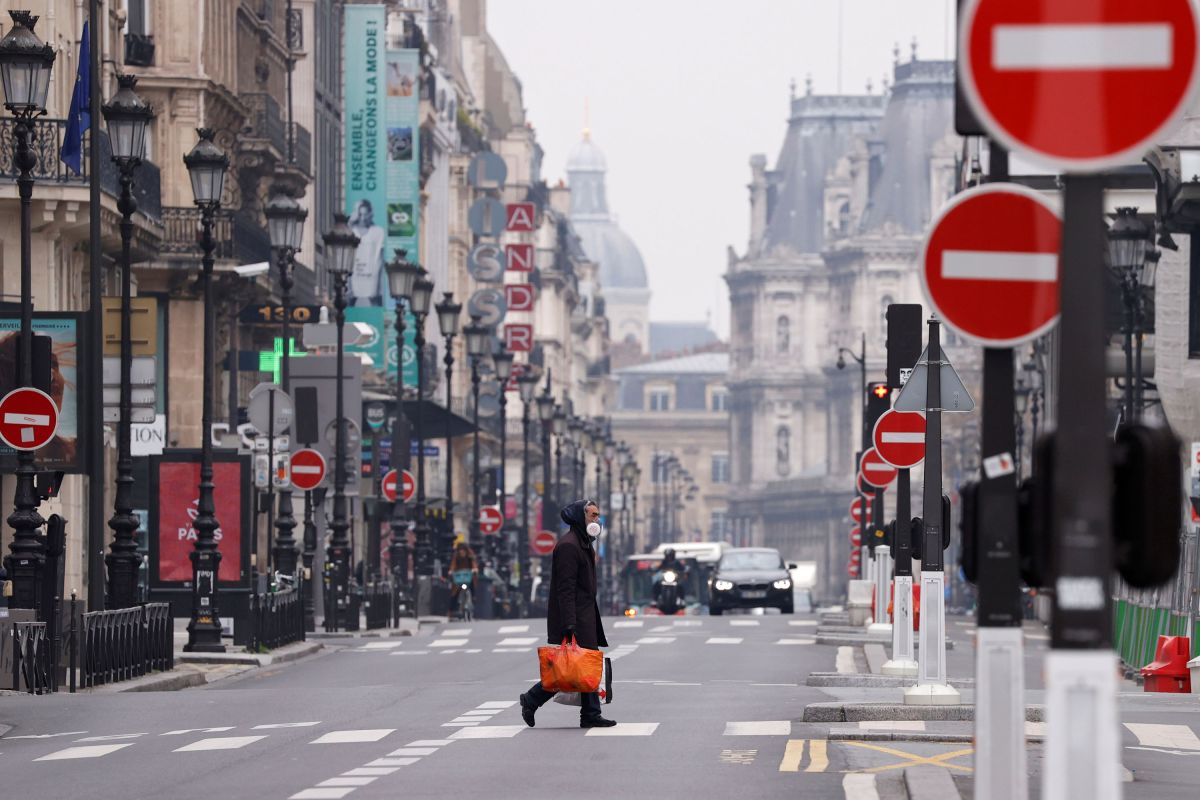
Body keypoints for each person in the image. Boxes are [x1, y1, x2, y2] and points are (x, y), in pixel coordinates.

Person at [519, 499, 616, 728]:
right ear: (580, 517)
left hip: (585, 614)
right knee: (576, 666)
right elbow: (565, 588)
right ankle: (533, 700)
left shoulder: (583, 543)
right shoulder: (569, 546)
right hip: (576, 617)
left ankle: (589, 713)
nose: (597, 520)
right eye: (593, 515)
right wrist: (569, 622)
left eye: (598, 515)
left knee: (583, 665)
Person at [448, 542, 478, 618]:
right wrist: (451, 571)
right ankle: (453, 610)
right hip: (459, 578)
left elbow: (474, 563)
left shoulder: (470, 556)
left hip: (468, 577)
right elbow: (453, 565)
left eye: (463, 550)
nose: (461, 552)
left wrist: (474, 569)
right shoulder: (456, 556)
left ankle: (473, 600)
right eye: (460, 550)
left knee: (472, 588)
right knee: (455, 593)